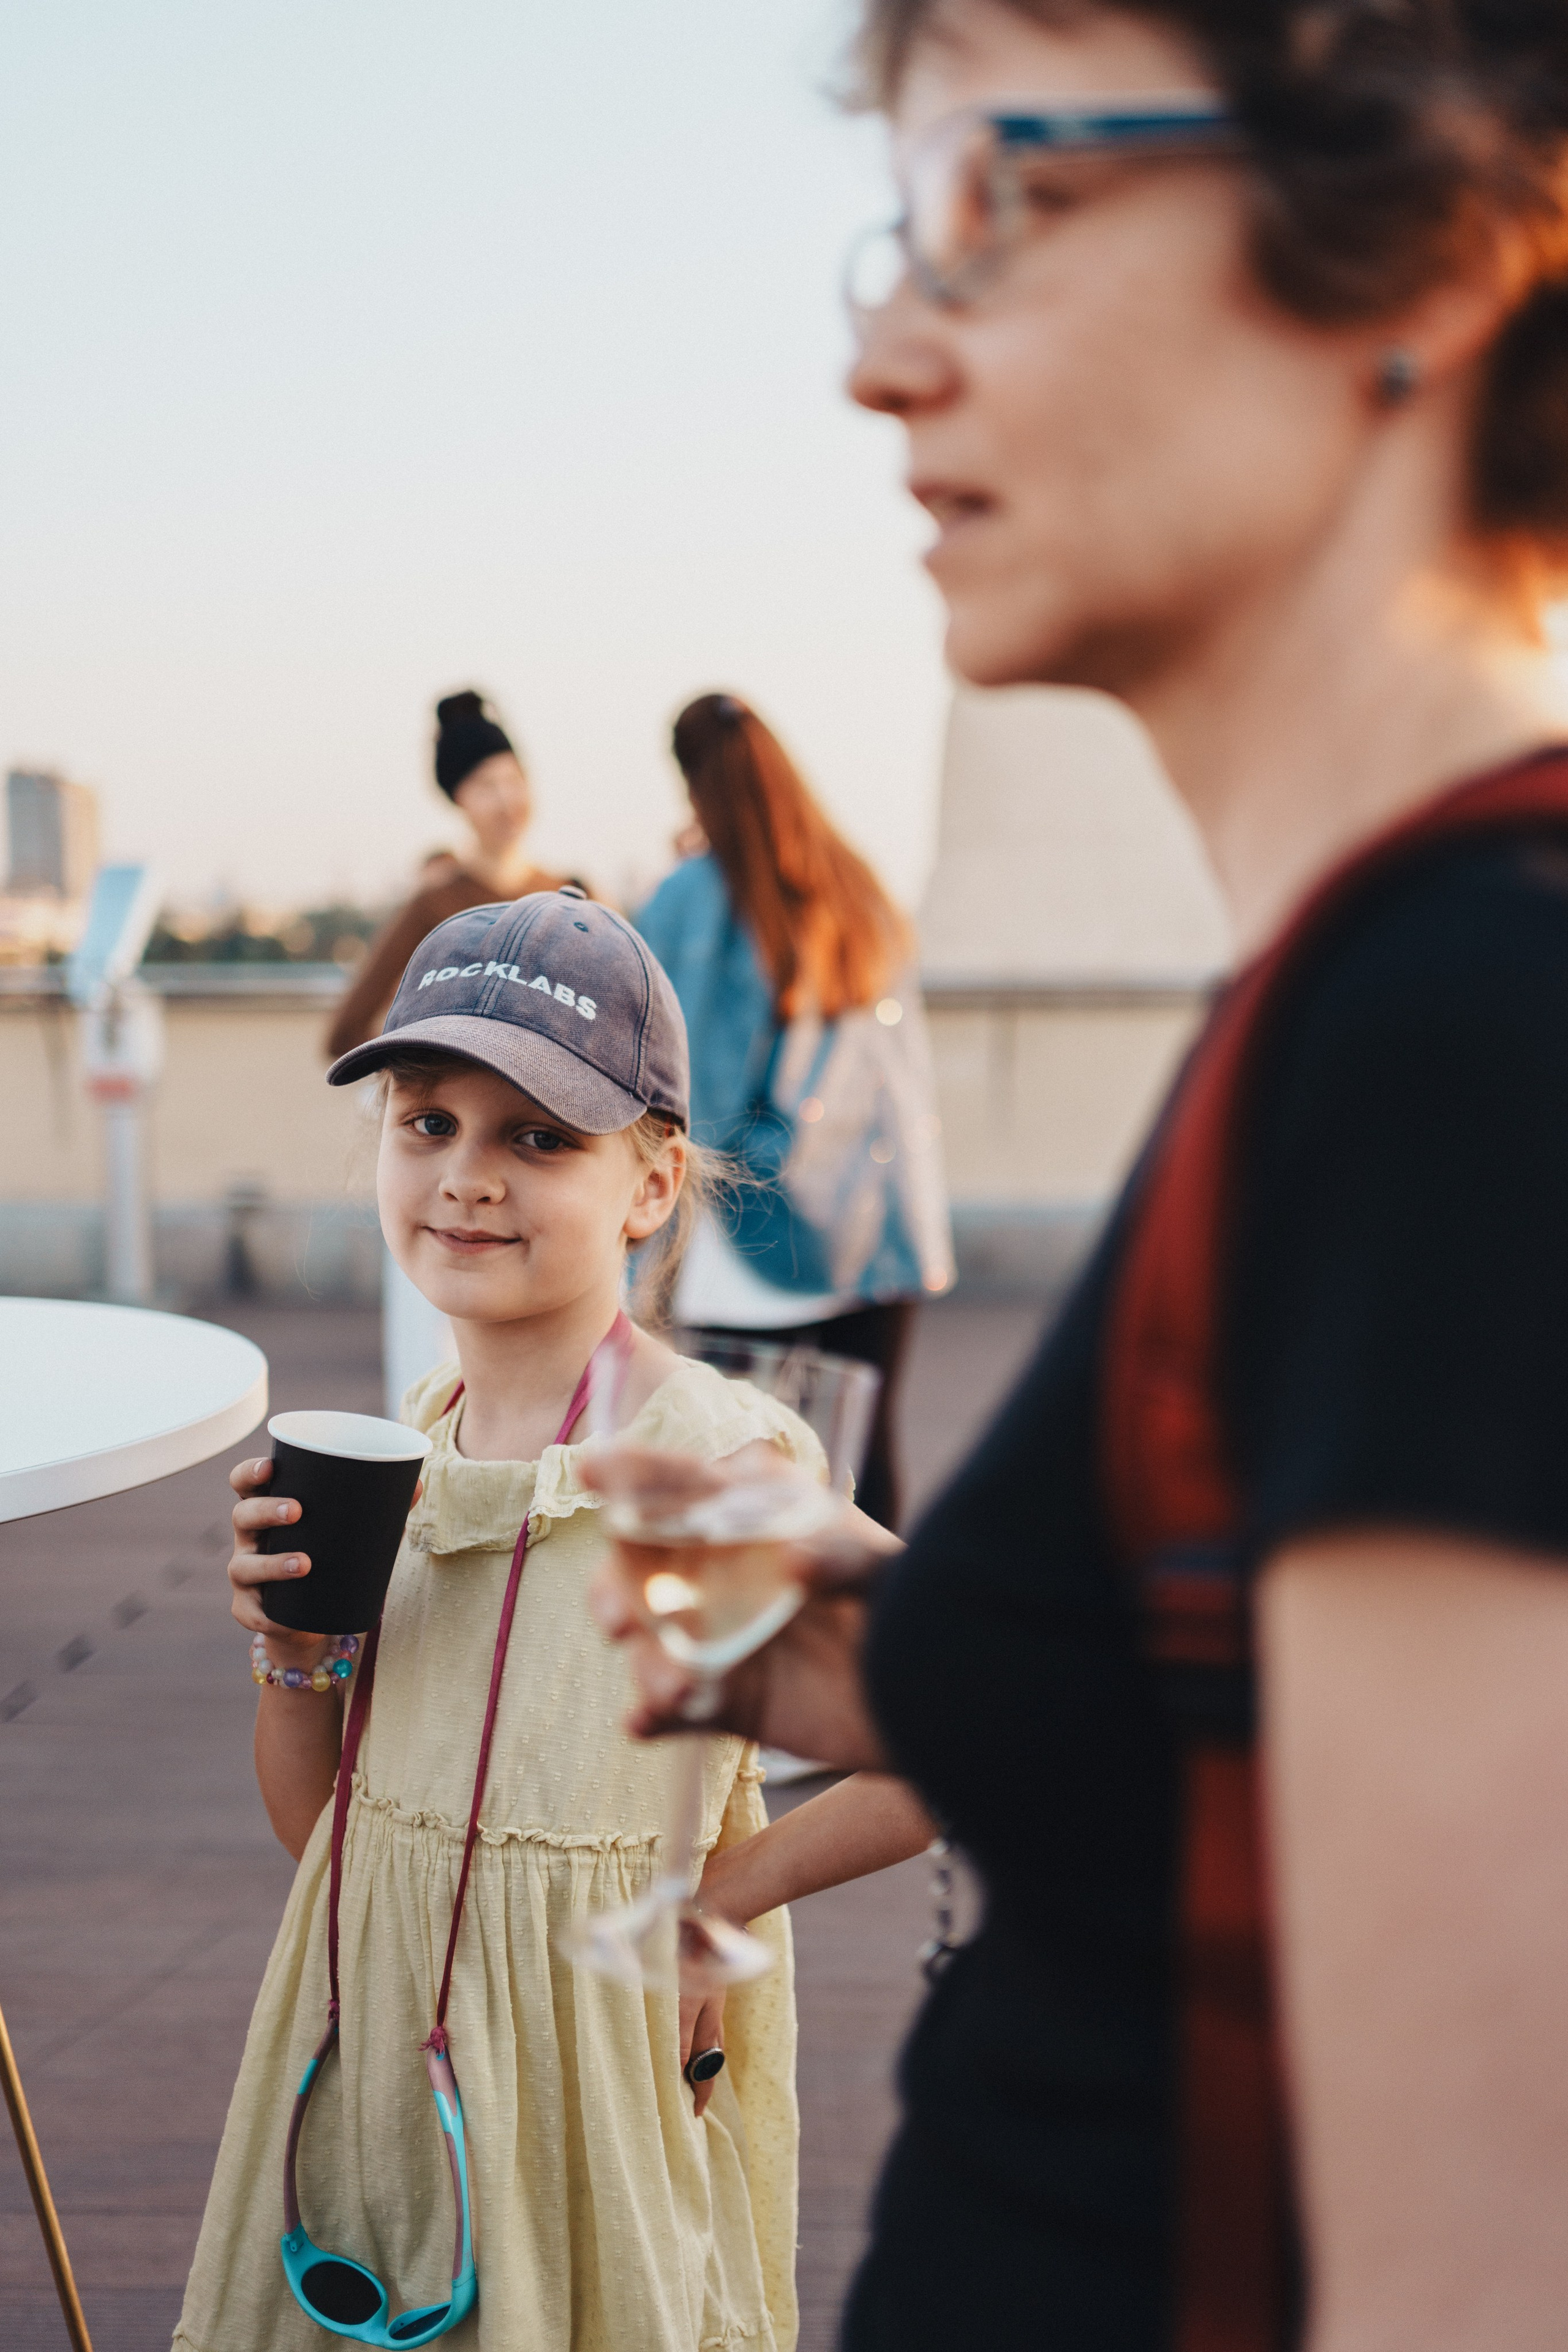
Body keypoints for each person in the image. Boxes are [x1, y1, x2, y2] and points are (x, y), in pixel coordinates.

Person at [593, 5, 1568, 2348]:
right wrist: (921, 1642)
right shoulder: (1376, 984)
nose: (882, 365)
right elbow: (1231, 1810)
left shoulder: (1459, 1031)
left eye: (993, 203)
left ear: (1430, 254)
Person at [174, 889, 930, 2352]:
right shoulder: (414, 1440)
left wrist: (718, 1899)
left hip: (582, 2117)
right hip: (368, 2082)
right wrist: (291, 1663)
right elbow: (330, 1843)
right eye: (427, 1121)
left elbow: (976, 1709)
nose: (466, 1176)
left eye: (536, 1138)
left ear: (649, 1186)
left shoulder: (699, 1467)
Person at [636, 693, 952, 1531]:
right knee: (863, 1461)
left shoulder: (694, 895)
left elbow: (678, 1077)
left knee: (740, 1461)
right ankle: (865, 1615)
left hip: (747, 1223)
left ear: (691, 781)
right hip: (878, 1219)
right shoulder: (856, 886)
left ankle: (754, 1618)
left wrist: (646, 1241)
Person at [325, 690, 571, 1061]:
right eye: (486, 787)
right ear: (459, 800)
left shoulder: (571, 895)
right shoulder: (434, 903)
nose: (507, 801)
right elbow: (345, 1035)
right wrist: (443, 1068)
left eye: (514, 780)